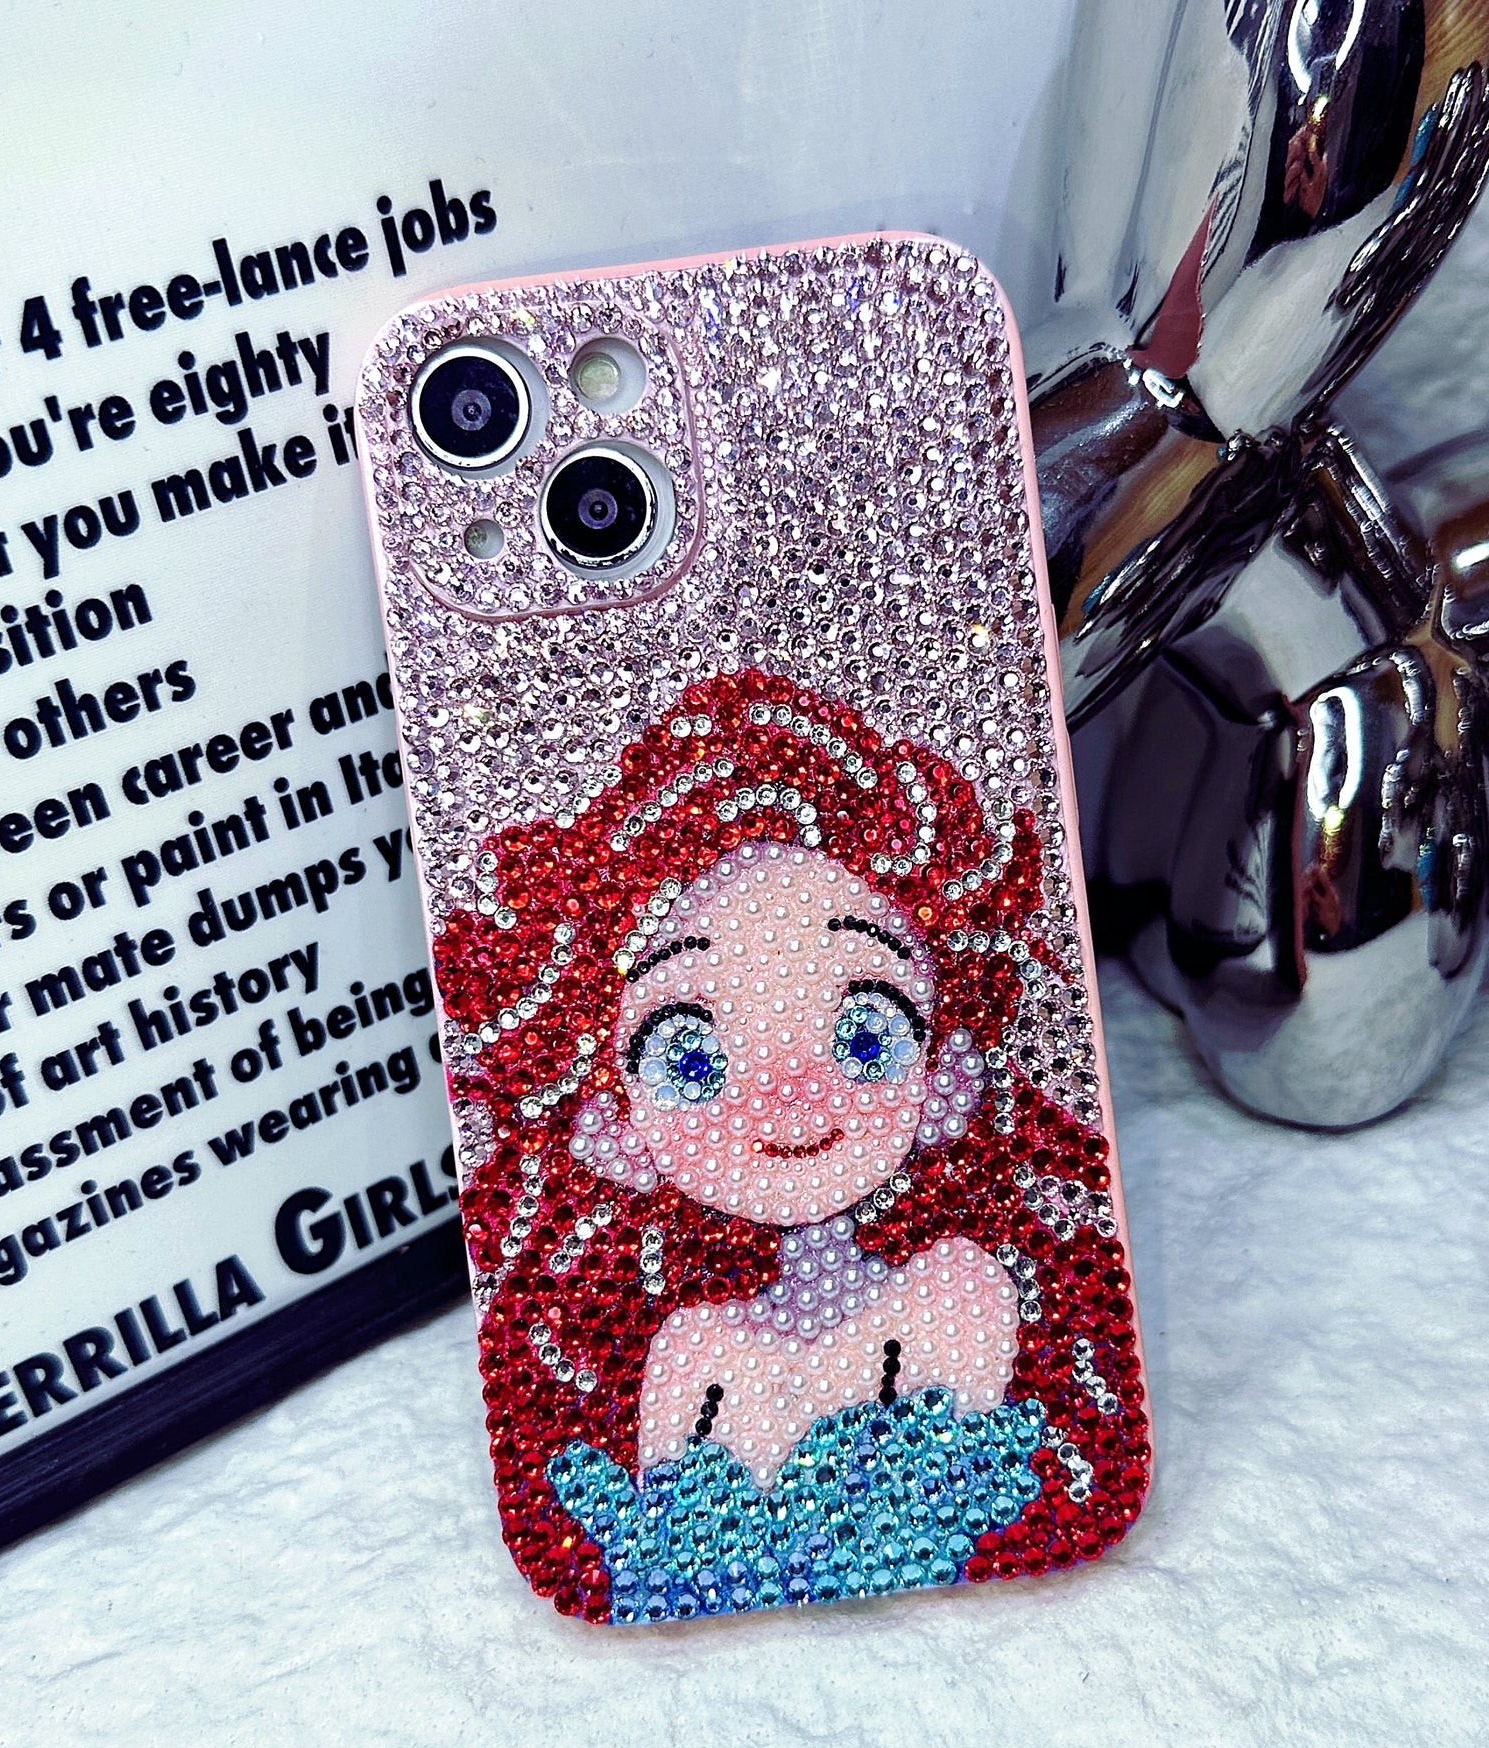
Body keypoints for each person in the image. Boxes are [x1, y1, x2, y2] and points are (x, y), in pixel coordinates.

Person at [432, 670, 1148, 1622]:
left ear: (946, 1078)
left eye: (865, 1034)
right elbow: (659, 1546)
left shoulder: (957, 1290)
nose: (788, 1096)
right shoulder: (693, 1351)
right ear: (614, 1129)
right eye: (692, 1060)